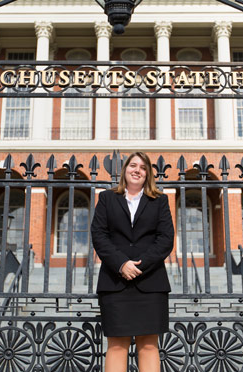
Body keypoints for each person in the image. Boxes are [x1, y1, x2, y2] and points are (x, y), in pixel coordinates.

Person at [90, 151, 175, 372]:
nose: (137, 170)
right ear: (125, 170)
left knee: (148, 346)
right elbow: (99, 235)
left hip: (151, 283)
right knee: (117, 345)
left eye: (143, 167)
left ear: (148, 174)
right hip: (115, 283)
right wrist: (121, 264)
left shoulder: (160, 201)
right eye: (133, 165)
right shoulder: (107, 198)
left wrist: (139, 265)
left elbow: (165, 239)